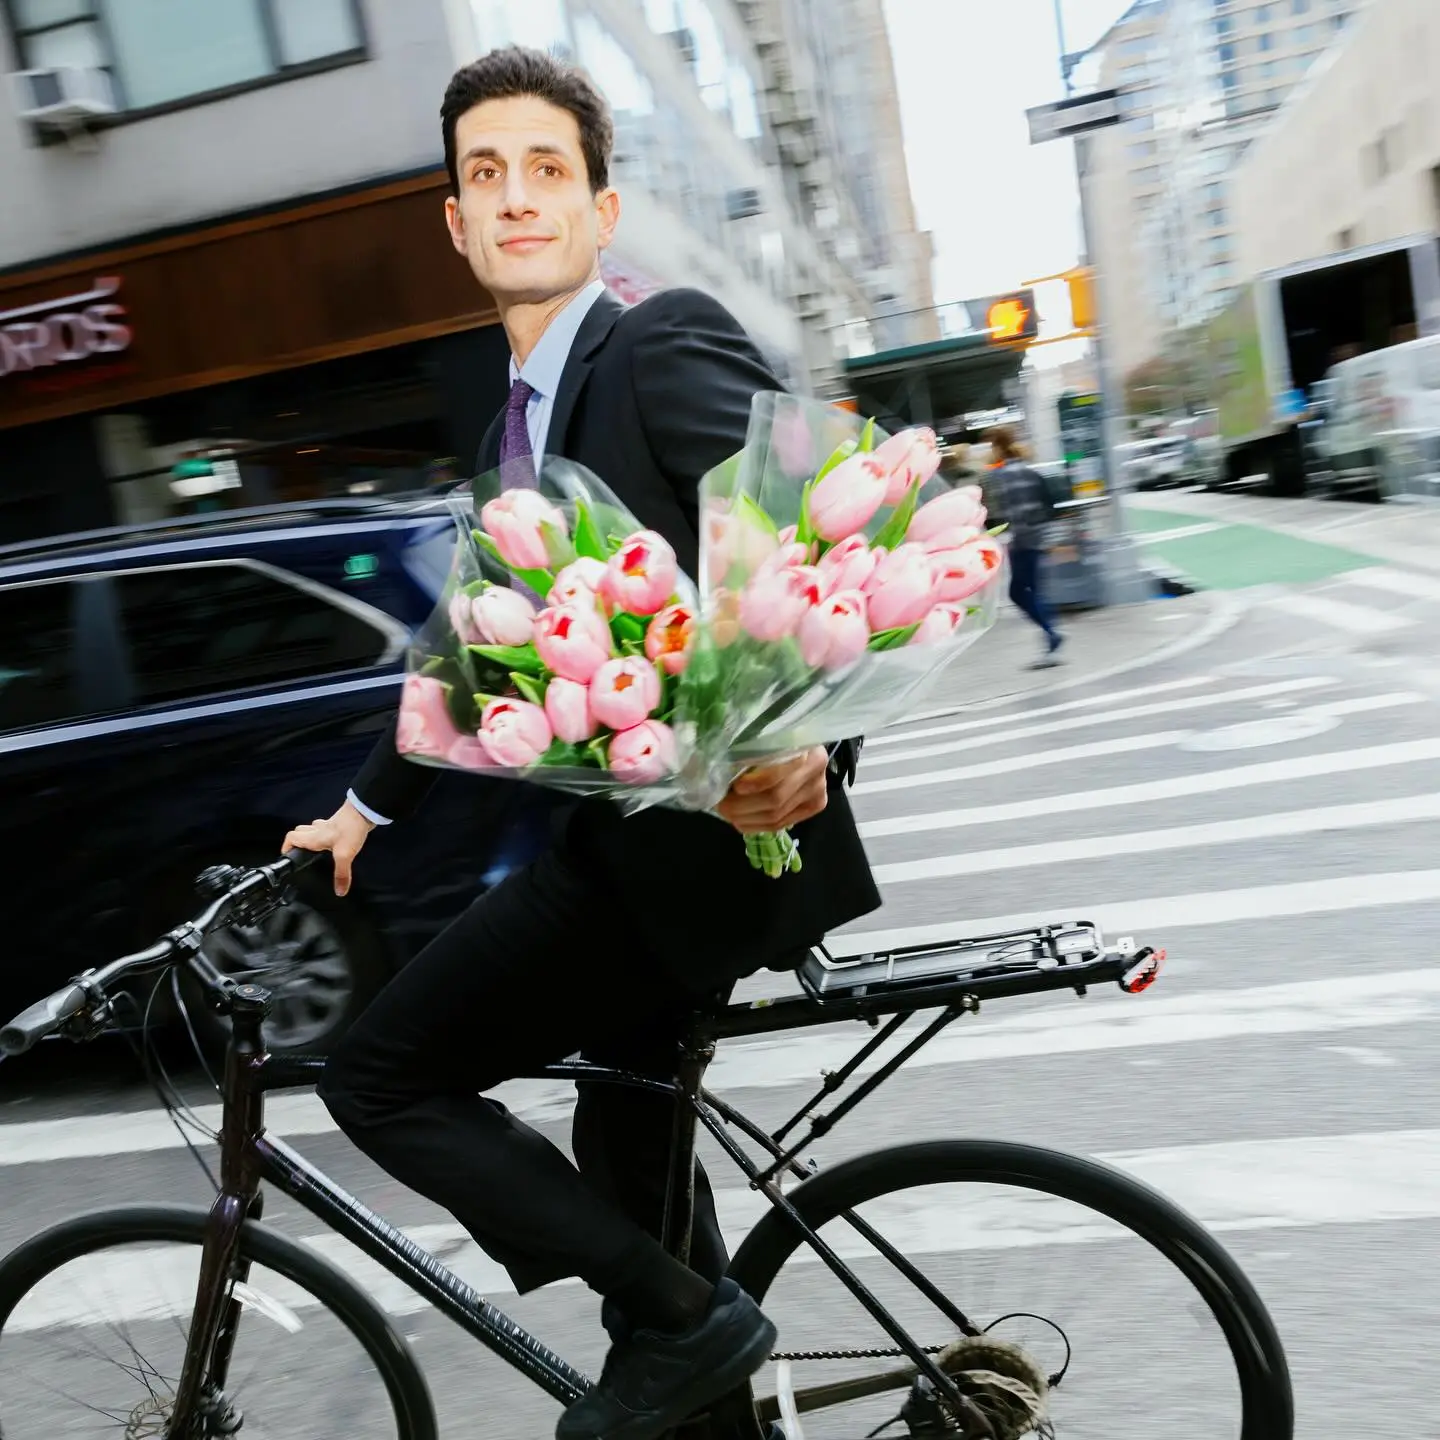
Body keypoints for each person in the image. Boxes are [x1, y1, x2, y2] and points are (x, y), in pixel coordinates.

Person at [282, 46, 881, 1440]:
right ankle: (693, 1353)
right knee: (638, 1182)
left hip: (691, 860)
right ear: (455, 221)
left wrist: (815, 747)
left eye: (547, 170)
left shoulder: (655, 340)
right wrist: (361, 817)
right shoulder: (510, 430)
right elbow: (470, 664)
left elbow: (821, 527)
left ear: (601, 210)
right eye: (484, 175)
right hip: (631, 852)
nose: (516, 198)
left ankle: (688, 1329)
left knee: (381, 1073)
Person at [988, 425, 1064, 667]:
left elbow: (1006, 514)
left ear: (998, 447)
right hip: (1037, 539)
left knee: (1018, 593)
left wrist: (1011, 539)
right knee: (1032, 591)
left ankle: (1052, 633)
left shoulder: (1000, 477)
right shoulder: (1031, 473)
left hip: (1021, 542)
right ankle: (1050, 638)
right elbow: (1049, 505)